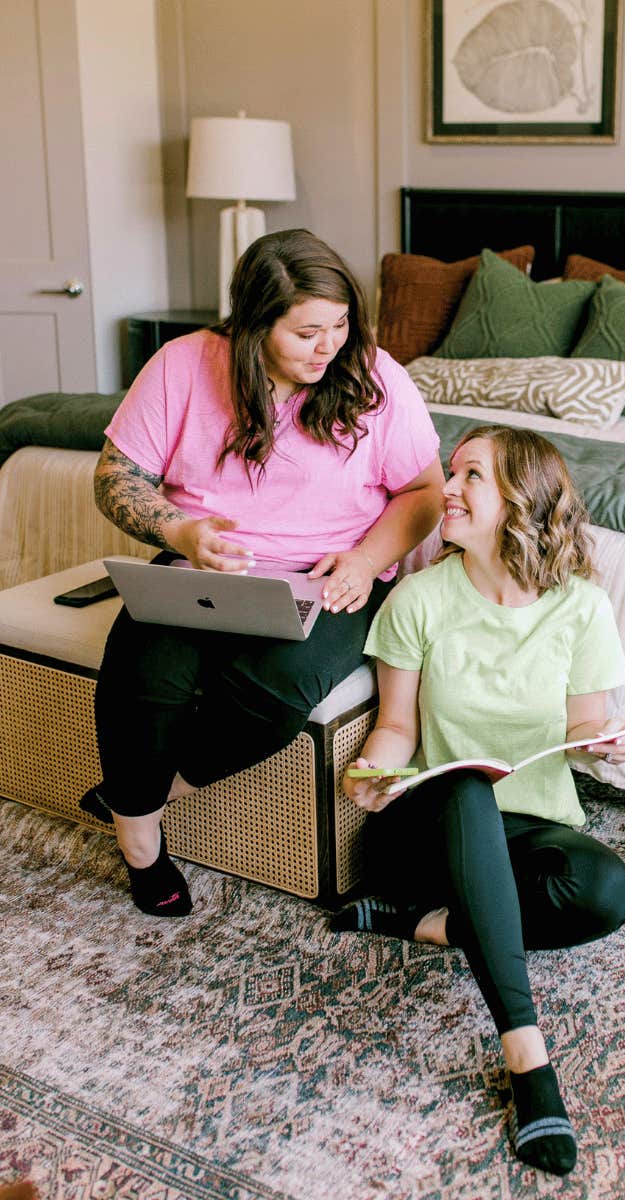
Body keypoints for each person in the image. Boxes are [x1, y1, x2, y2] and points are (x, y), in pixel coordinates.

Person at [86, 228, 444, 918]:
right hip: (204, 566)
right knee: (142, 674)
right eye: (307, 330)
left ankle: (142, 793)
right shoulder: (182, 365)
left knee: (278, 690)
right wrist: (179, 530)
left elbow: (425, 492)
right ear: (253, 324)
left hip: (333, 573)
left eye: (340, 324)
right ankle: (141, 846)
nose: (330, 345)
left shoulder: (374, 377)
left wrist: (368, 561)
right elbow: (115, 476)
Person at [332, 425, 625, 1178]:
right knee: (468, 783)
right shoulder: (418, 599)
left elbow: (584, 724)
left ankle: (429, 925)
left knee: (606, 891)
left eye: (472, 474)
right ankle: (528, 1061)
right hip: (429, 829)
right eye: (451, 471)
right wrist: (369, 770)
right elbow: (398, 726)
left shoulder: (582, 608)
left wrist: (607, 740)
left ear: (520, 501)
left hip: (529, 826)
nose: (449, 488)